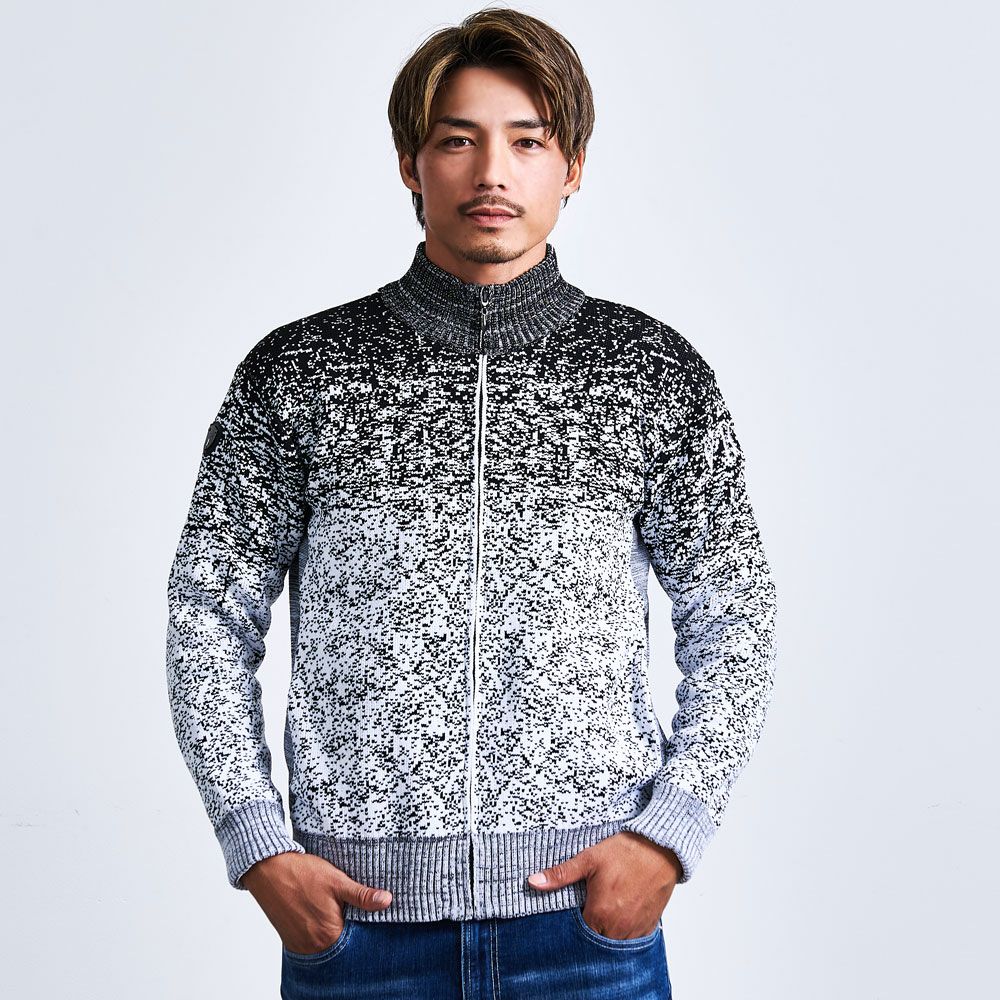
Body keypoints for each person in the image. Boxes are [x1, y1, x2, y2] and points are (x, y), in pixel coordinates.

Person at [165, 7, 778, 998]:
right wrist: (256, 842)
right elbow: (207, 605)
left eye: (527, 142)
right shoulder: (303, 371)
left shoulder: (648, 372)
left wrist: (670, 834)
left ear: (572, 166)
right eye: (458, 140)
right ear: (411, 164)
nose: (492, 172)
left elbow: (734, 606)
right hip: (360, 933)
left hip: (586, 933)